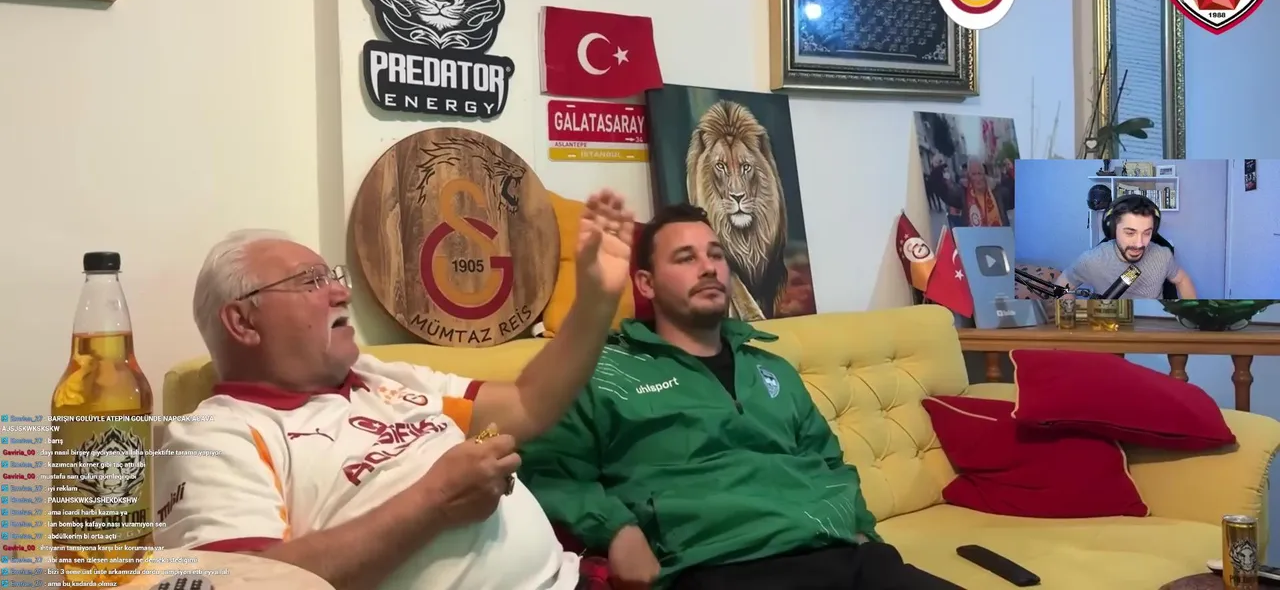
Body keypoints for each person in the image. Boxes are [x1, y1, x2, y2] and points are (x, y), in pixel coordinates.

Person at [153, 190, 636, 590]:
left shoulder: (376, 375)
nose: (341, 292)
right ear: (243, 321)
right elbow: (242, 582)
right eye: (310, 282)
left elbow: (527, 404)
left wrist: (596, 299)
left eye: (333, 277)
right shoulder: (216, 433)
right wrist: (435, 501)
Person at [518, 203, 962, 590]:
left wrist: (862, 531)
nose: (708, 268)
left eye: (716, 255)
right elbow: (548, 471)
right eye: (686, 258)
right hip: (719, 566)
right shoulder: (603, 371)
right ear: (646, 284)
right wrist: (617, 530)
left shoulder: (772, 368)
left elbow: (829, 463)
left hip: (843, 556)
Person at [1061, 194, 1196, 299]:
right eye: (1130, 233)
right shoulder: (1092, 260)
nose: (1139, 244)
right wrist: (1069, 316)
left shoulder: (1162, 256)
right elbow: (1062, 286)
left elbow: (1182, 279)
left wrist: (1192, 313)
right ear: (1113, 230)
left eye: (1146, 233)